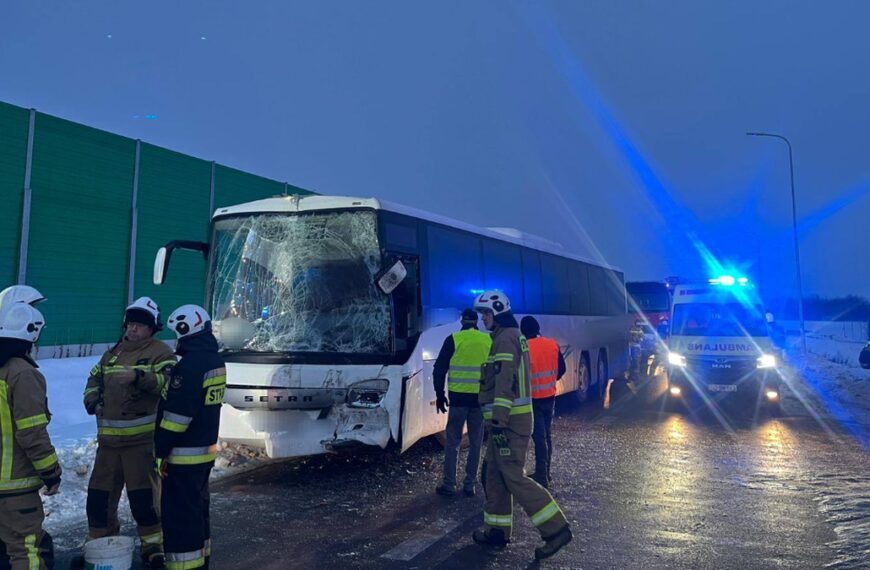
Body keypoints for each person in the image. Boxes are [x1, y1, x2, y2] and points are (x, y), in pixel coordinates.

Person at [471, 291, 572, 561]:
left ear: (498, 313)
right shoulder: (510, 337)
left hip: (509, 423)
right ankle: (497, 530)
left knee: (514, 476)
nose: (483, 320)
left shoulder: (505, 339)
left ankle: (556, 530)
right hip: (507, 422)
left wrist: (499, 420)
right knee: (495, 473)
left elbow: (504, 384)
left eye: (486, 314)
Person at [79, 297, 176, 569]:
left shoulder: (161, 354)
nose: (132, 330)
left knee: (144, 501)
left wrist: (138, 377)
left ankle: (153, 547)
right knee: (99, 499)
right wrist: (93, 400)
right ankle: (99, 545)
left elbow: (169, 385)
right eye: (130, 324)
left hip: (140, 445)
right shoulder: (113, 353)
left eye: (139, 325)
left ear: (152, 329)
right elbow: (93, 378)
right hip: (108, 444)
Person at [156, 305, 225, 570]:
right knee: (197, 510)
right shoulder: (214, 361)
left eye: (177, 333)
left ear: (186, 330)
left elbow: (177, 418)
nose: (176, 339)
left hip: (182, 457)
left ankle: (185, 567)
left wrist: (160, 450)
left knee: (180, 517)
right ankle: (202, 559)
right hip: (204, 452)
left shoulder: (190, 367)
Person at [0, 302, 61, 569]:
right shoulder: (22, 374)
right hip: (15, 488)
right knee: (27, 551)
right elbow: (32, 433)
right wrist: (51, 472)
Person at [432, 309, 492, 497]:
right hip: (479, 401)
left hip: (457, 400)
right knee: (476, 442)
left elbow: (439, 369)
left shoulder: (454, 339)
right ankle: (470, 485)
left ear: (462, 322)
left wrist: (440, 395)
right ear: (476, 322)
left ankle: (449, 485)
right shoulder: (488, 341)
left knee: (453, 442)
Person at [520, 316, 565, 489]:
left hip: (533, 398)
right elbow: (562, 369)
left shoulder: (525, 348)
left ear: (523, 331)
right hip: (550, 396)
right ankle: (545, 471)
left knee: (539, 437)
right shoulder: (552, 343)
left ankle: (541, 476)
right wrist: (551, 381)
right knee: (546, 435)